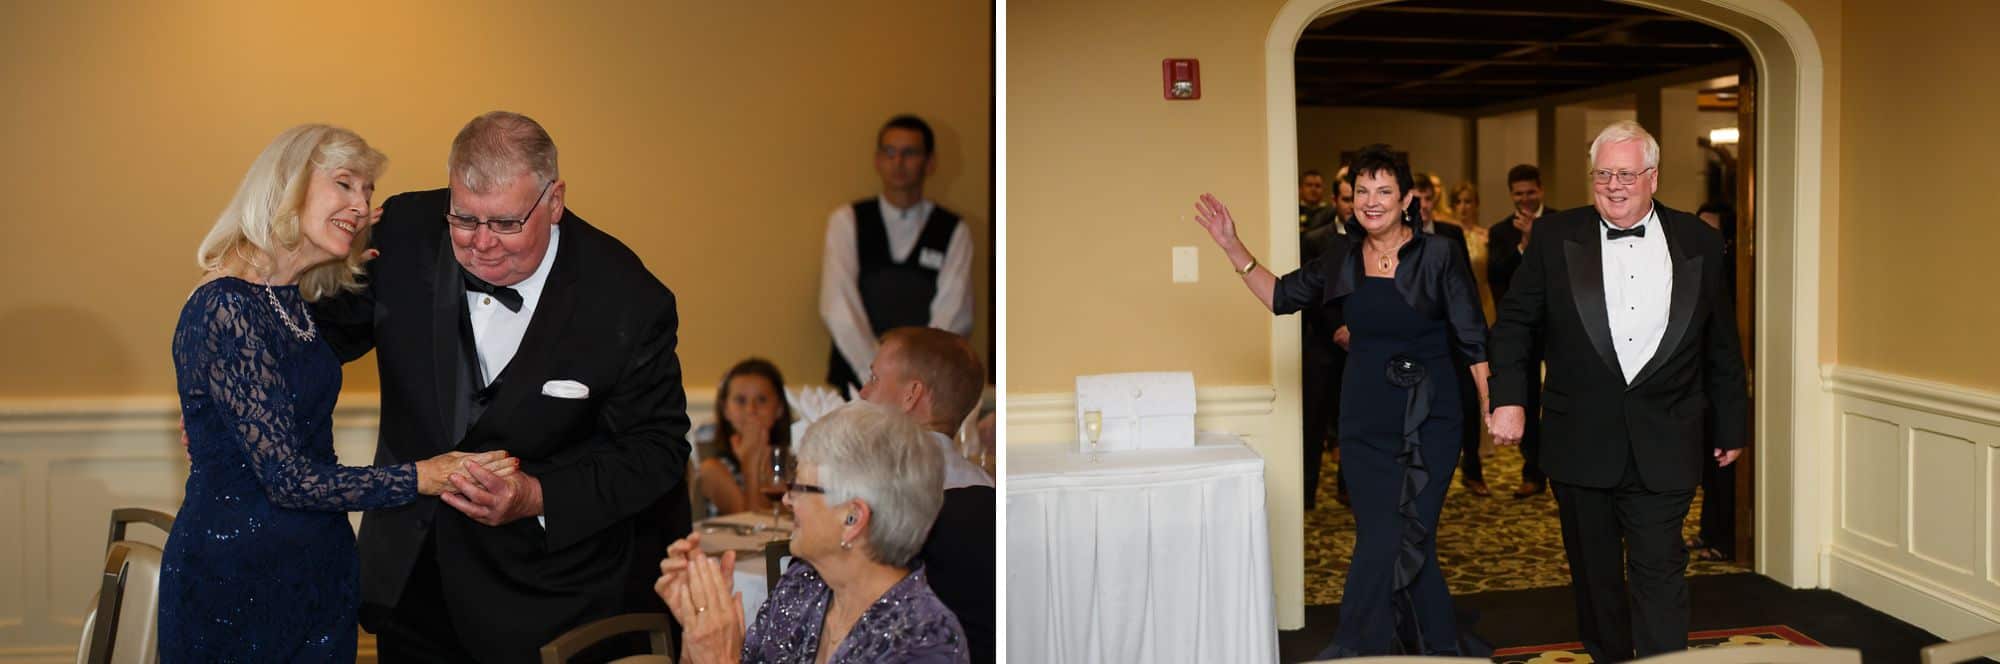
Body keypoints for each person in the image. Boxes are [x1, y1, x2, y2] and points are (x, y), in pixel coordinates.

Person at [312, 111, 693, 663]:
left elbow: (657, 450)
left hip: (548, 604)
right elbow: (319, 334)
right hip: (411, 583)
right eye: (464, 218)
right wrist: (238, 396)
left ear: (554, 200)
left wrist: (537, 495)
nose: (482, 244)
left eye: (507, 224)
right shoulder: (403, 231)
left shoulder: (628, 299)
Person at [160, 124, 516, 662]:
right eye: (344, 184)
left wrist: (353, 241)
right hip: (239, 579)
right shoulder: (224, 305)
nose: (360, 203)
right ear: (287, 185)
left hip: (319, 568)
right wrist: (425, 475)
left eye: (368, 192)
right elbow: (288, 480)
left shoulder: (290, 301)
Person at [1192, 144, 1490, 656]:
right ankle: (1422, 643)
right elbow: (1281, 296)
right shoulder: (1342, 258)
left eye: (1384, 191)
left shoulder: (1439, 255)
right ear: (1350, 200)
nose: (1371, 202)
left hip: (1431, 418)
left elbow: (1472, 337)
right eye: (1361, 192)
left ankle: (1371, 647)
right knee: (1381, 532)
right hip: (1365, 420)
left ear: (1407, 199)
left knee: (1409, 532)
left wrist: (1492, 407)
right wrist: (1231, 245)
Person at [1488, 121, 1749, 661]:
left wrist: (1730, 423)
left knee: (1661, 572)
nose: (1613, 184)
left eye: (1626, 173)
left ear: (1651, 176)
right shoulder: (1557, 235)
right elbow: (1516, 322)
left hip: (1669, 435)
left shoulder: (1698, 240)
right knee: (1596, 579)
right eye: (1603, 173)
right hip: (1580, 439)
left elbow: (1720, 342)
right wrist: (1509, 397)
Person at [656, 402, 971, 664]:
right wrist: (699, 633)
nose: (786, 499)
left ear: (852, 518)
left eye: (800, 488)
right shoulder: (802, 586)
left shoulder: (925, 640)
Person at [859, 326, 995, 662]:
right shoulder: (988, 491)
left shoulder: (884, 500)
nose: (863, 392)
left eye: (875, 378)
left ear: (911, 395)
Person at [820, 114, 976, 397]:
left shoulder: (953, 230)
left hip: (925, 390)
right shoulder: (847, 221)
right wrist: (875, 377)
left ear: (930, 163)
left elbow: (953, 315)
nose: (898, 162)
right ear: (877, 160)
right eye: (889, 152)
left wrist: (913, 377)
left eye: (909, 153)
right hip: (855, 385)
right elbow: (837, 306)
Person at [1413, 173, 1491, 498]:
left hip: (1455, 335)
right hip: (1417, 340)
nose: (1424, 207)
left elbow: (1466, 285)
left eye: (1428, 199)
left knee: (1467, 403)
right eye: (1417, 201)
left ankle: (1472, 469)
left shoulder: (1451, 234)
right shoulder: (1398, 237)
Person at [1486, 163, 1550, 499]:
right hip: (1522, 331)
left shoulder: (1558, 223)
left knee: (1558, 400)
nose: (1524, 199)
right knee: (1525, 398)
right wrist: (1525, 242)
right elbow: (1498, 276)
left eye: (1530, 192)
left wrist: (1539, 234)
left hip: (1557, 329)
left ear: (1541, 189)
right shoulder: (1500, 231)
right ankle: (1533, 471)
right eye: (1518, 194)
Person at [698, 358, 794, 515]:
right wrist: (750, 461)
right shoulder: (713, 469)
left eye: (762, 400)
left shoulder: (791, 464)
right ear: (725, 409)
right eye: (740, 400)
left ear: (779, 408)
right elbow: (751, 525)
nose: (751, 409)